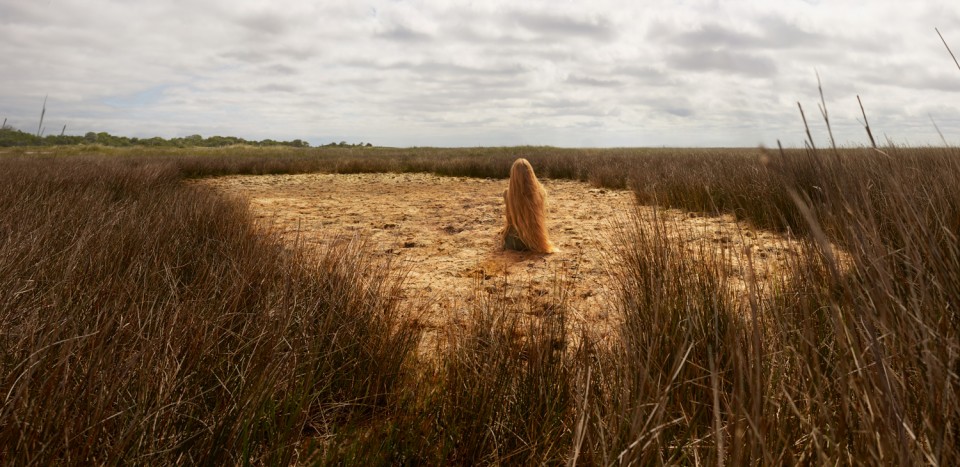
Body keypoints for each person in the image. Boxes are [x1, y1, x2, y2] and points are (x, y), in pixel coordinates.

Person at [502, 158, 557, 253]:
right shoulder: (540, 193)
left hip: (512, 243)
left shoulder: (507, 194)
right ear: (530, 174)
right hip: (534, 241)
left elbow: (509, 220)